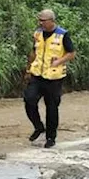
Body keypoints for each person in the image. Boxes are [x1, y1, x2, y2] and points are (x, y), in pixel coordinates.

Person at [23, 9, 76, 148]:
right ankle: (38, 126)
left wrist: (59, 61)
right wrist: (28, 69)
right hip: (37, 74)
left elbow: (71, 53)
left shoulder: (62, 34)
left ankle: (51, 137)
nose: (40, 23)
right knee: (29, 100)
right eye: (39, 20)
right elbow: (33, 51)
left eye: (43, 20)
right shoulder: (37, 33)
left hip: (54, 77)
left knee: (52, 107)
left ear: (52, 21)